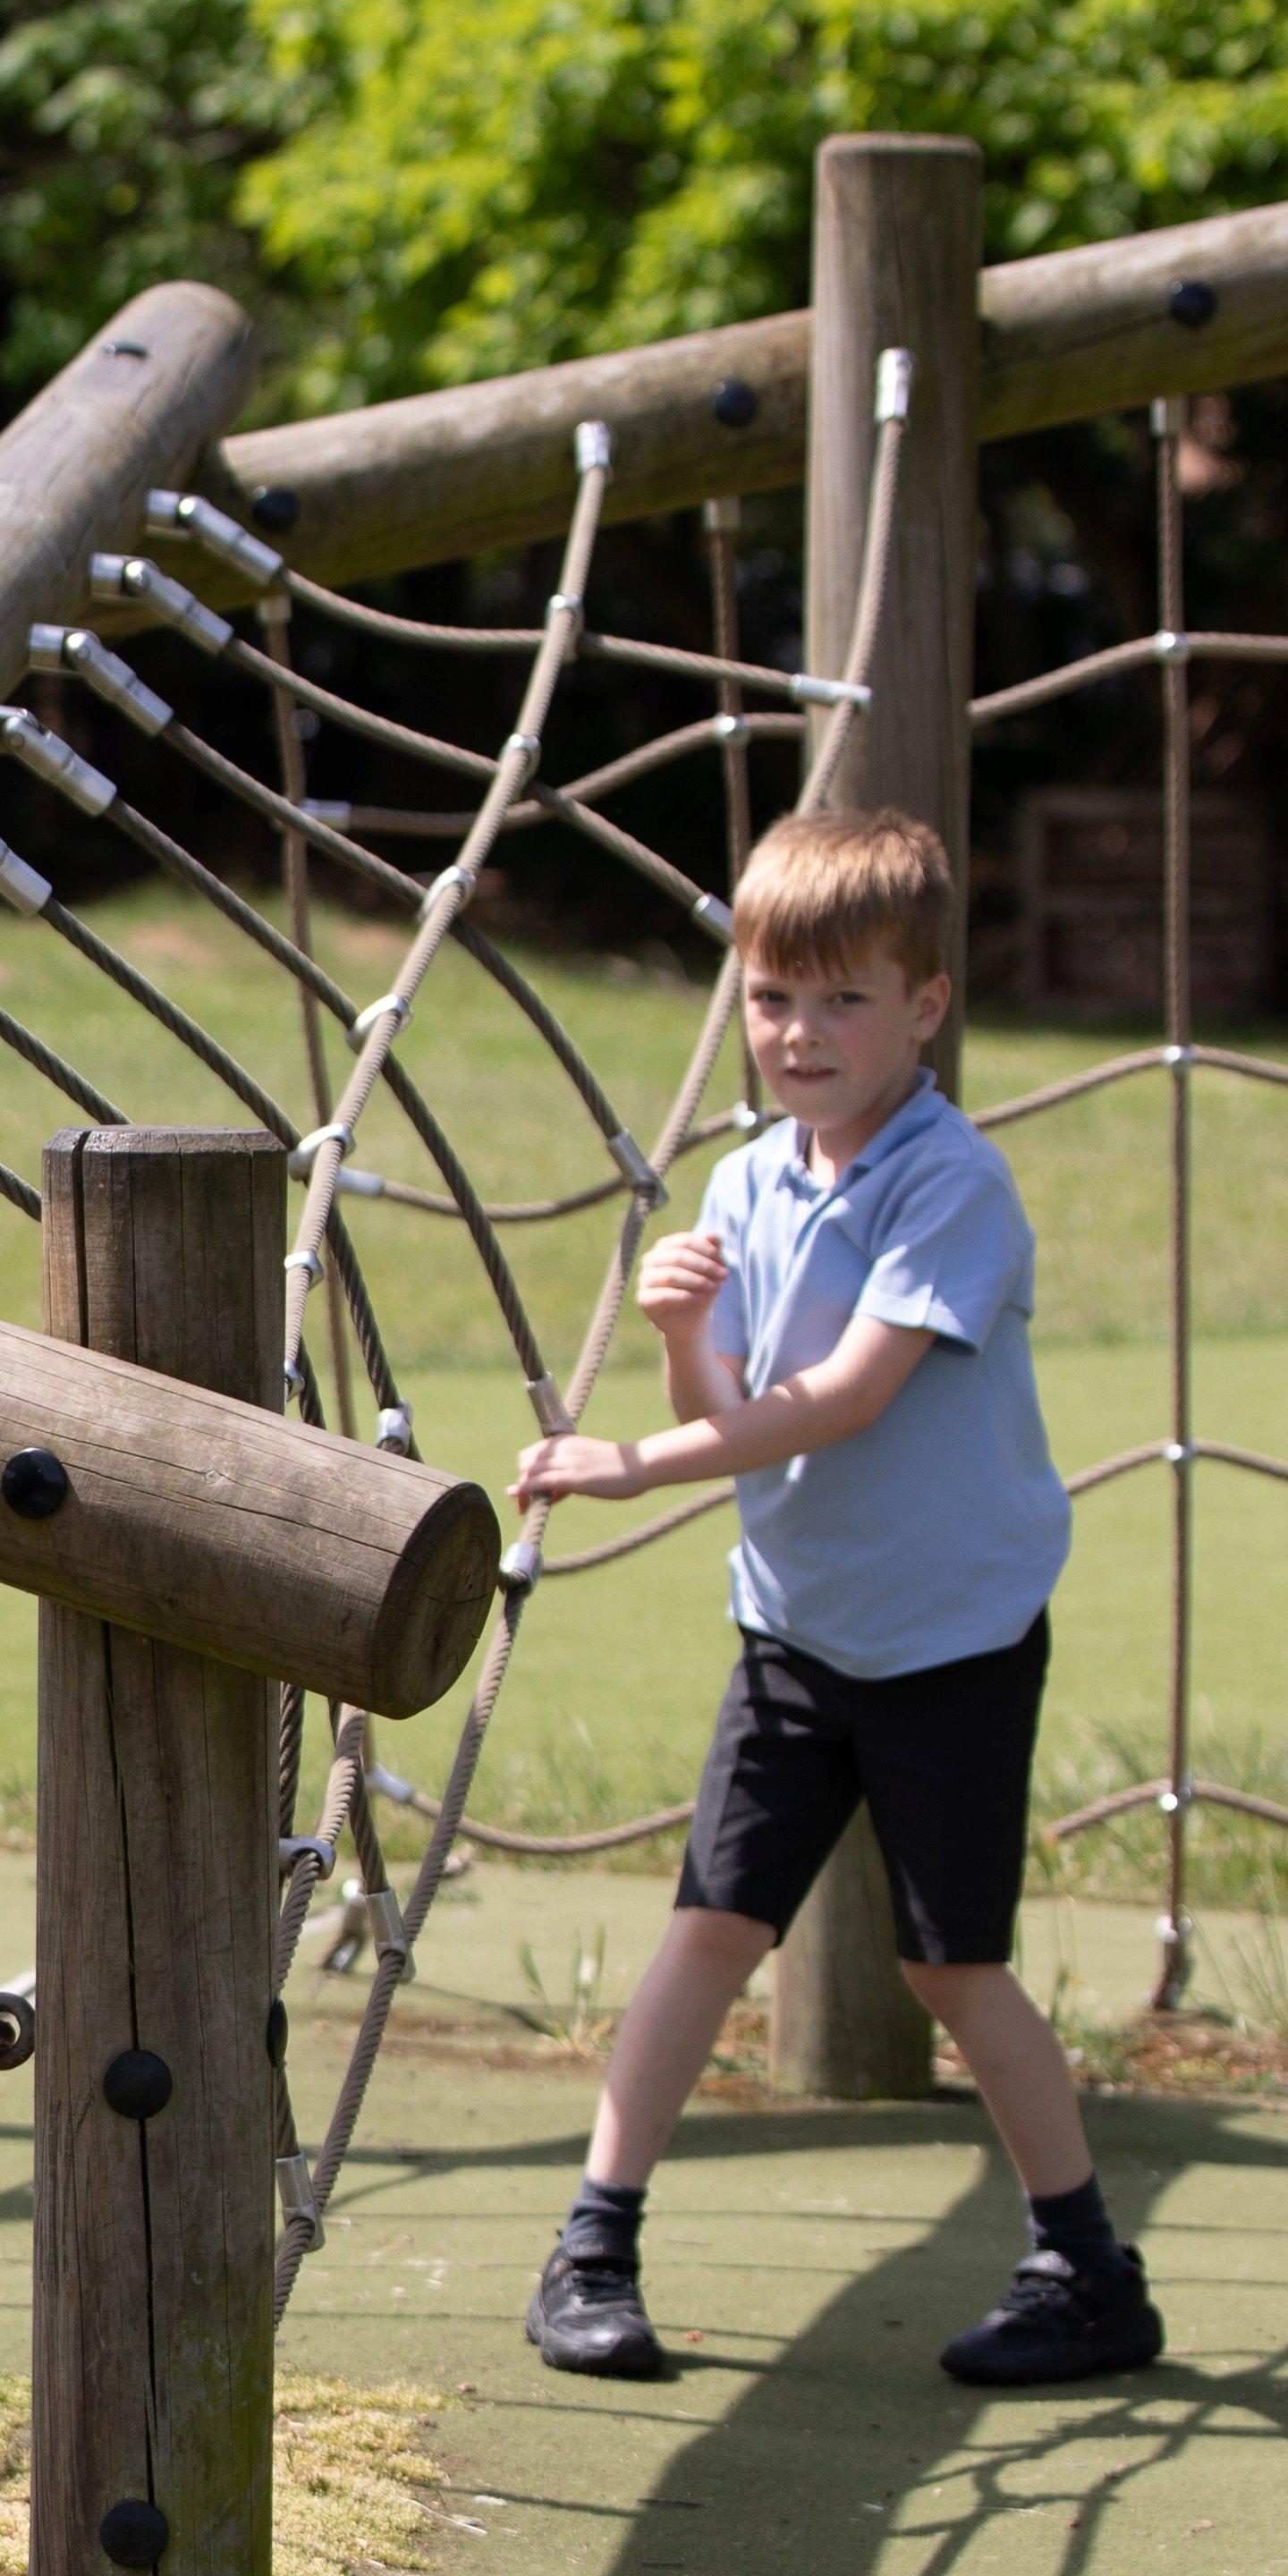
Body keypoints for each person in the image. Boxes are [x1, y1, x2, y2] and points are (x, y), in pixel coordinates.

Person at [504, 806, 1158, 2391]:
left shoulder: (952, 1188)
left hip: (950, 1638)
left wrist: (629, 1460)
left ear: (924, 1006)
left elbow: (846, 1398)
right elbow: (742, 1392)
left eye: (844, 998)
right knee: (707, 1929)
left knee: (950, 1966)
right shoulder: (749, 1177)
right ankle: (591, 2241)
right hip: (794, 1625)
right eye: (774, 997)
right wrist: (679, 1331)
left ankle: (1085, 2266)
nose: (800, 1033)